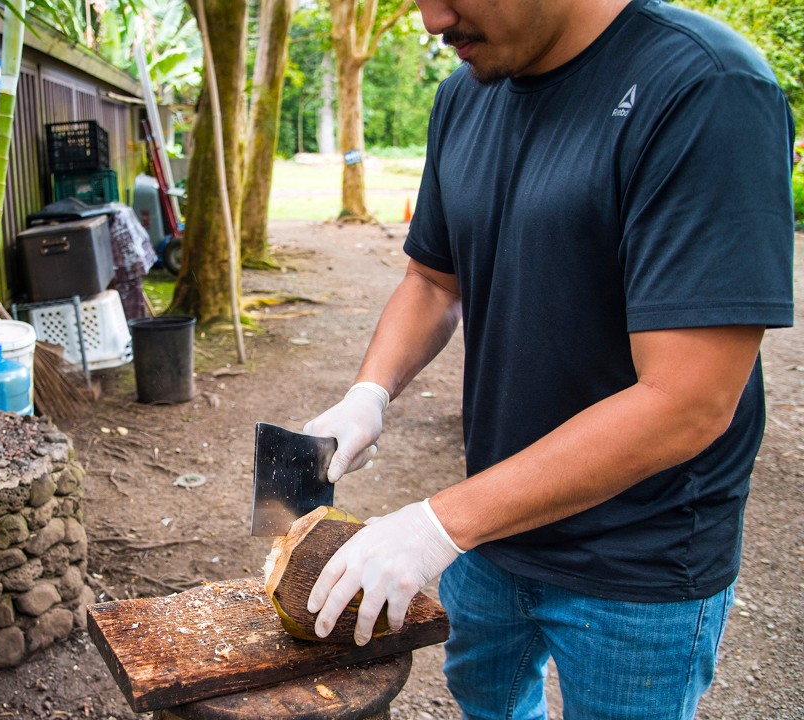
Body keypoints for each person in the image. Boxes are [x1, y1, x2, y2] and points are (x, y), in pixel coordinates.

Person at [301, 0, 796, 717]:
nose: (431, 21)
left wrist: (436, 525)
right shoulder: (466, 91)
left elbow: (687, 402)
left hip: (639, 564)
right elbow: (434, 281)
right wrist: (369, 393)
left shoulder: (705, 89)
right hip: (493, 535)